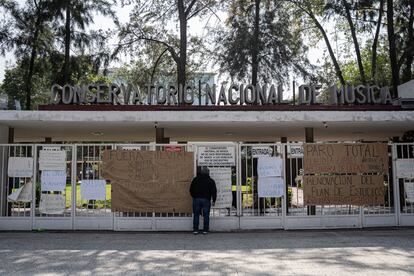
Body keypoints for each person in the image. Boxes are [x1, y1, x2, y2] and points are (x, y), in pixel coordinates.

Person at [189, 166, 217, 235]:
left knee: (196, 215)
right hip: (206, 199)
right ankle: (205, 230)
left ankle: (195, 230)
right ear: (208, 173)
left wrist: (194, 196)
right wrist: (214, 200)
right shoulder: (211, 181)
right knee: (206, 215)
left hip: (196, 199)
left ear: (201, 172)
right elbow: (214, 191)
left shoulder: (195, 179)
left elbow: (191, 189)